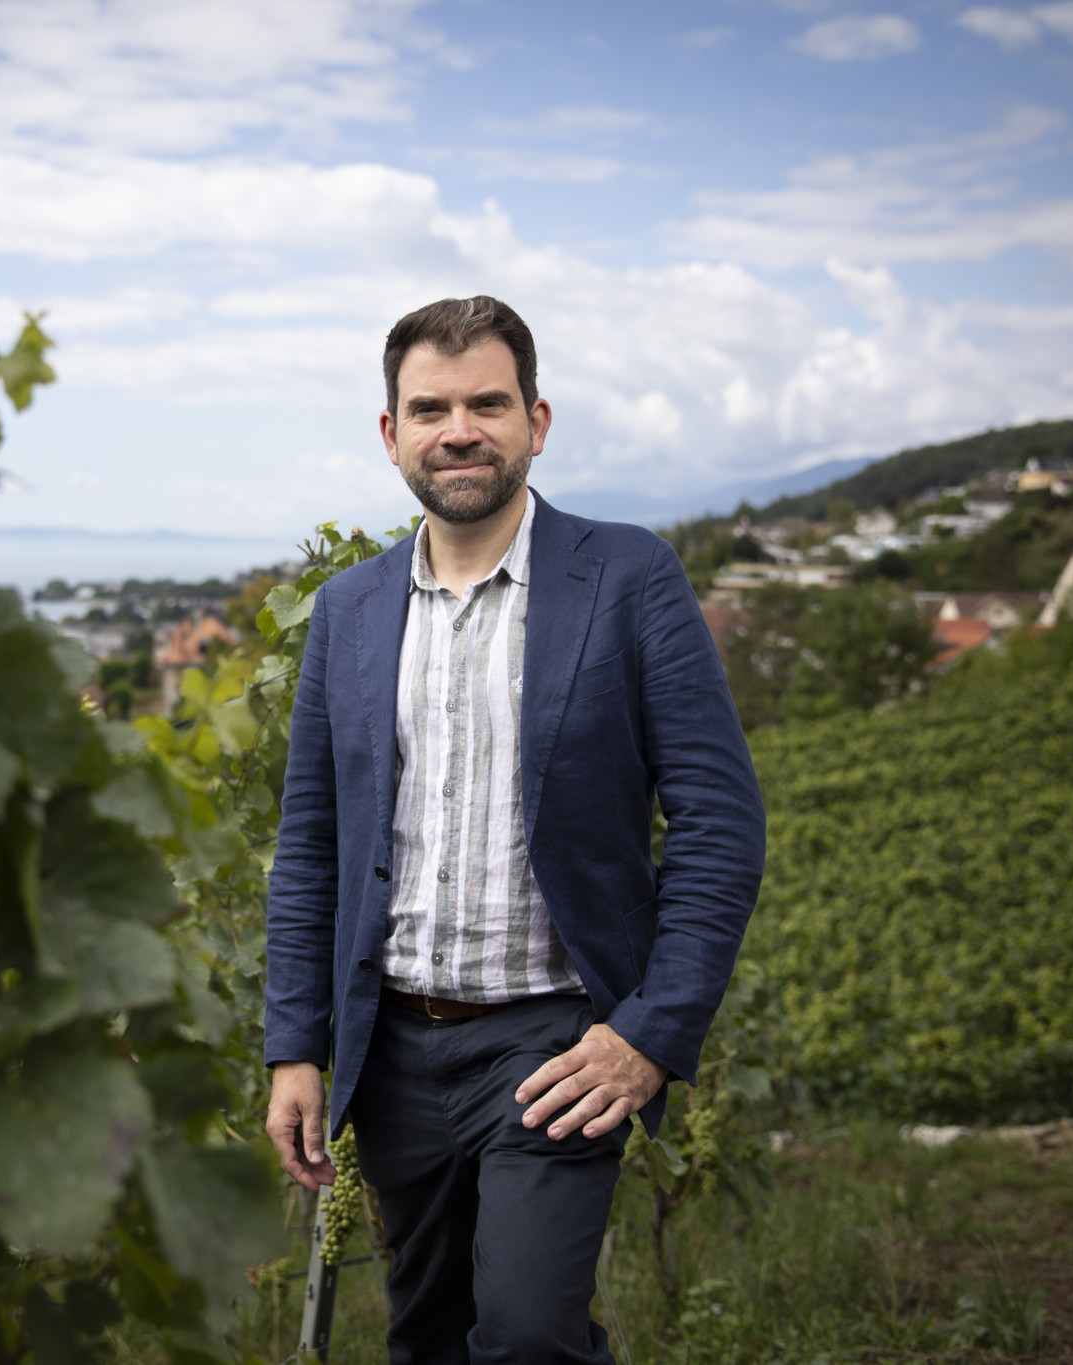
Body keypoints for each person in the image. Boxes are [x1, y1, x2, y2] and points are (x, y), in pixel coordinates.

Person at [262, 296, 765, 1364]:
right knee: (429, 1335)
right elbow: (310, 846)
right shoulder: (347, 611)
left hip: (554, 1044)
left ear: (535, 420)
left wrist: (648, 1034)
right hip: (389, 1047)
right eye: (430, 407)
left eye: (486, 403)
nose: (460, 428)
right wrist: (294, 1048)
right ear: (389, 433)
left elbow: (717, 823)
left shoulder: (628, 580)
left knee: (530, 1336)